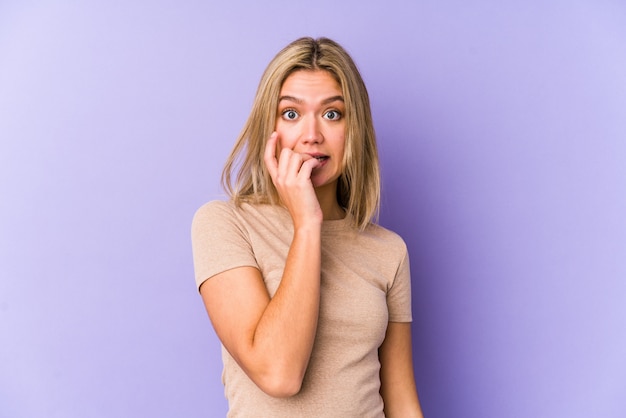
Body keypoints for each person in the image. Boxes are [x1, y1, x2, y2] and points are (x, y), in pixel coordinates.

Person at [191, 36, 424, 417]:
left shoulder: (389, 250)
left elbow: (401, 401)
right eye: (291, 114)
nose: (312, 134)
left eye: (332, 114)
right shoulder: (225, 223)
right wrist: (307, 223)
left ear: (355, 130)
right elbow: (279, 375)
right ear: (270, 127)